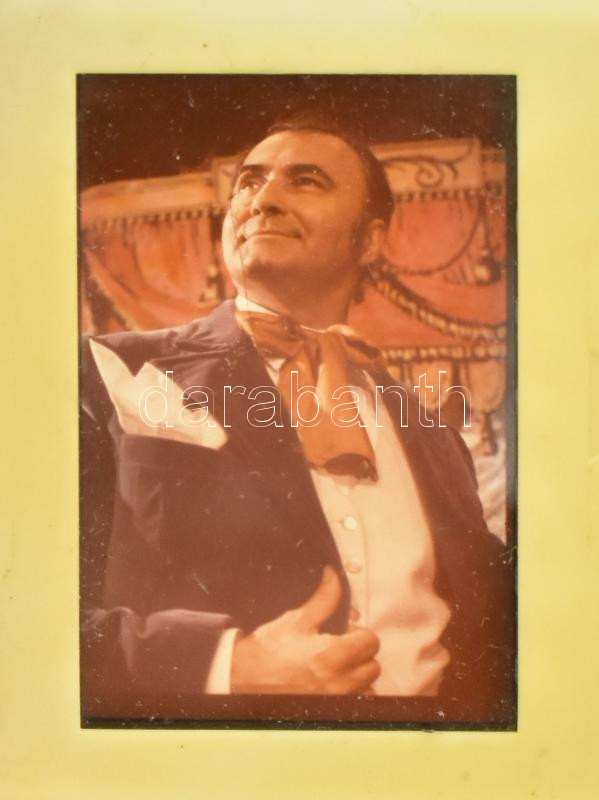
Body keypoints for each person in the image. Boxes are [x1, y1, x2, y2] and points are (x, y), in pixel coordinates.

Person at [80, 120, 514, 723]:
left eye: (306, 180)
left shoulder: (432, 432)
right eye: (249, 183)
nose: (263, 199)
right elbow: (28, 617)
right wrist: (229, 664)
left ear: (369, 240)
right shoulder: (108, 369)